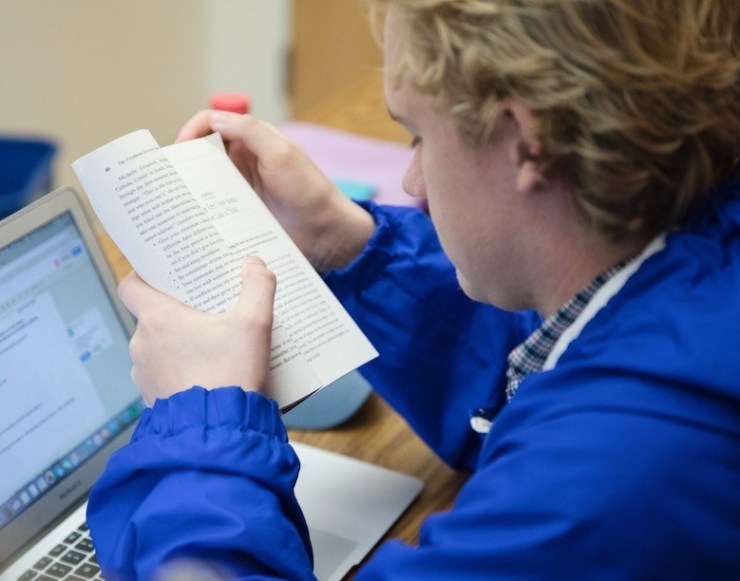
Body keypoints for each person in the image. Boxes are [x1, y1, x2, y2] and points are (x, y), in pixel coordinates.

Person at [88, 0, 740, 578]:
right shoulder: (699, 259)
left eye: (419, 135)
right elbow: (546, 382)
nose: (410, 183)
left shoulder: (611, 472)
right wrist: (353, 250)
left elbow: (579, 465)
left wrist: (198, 421)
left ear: (524, 143)